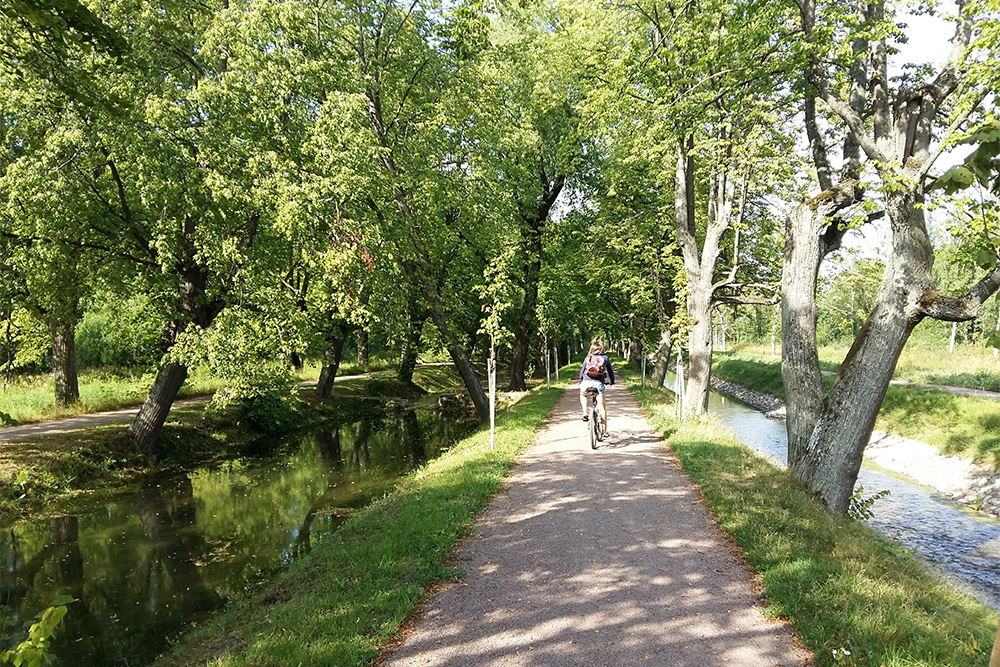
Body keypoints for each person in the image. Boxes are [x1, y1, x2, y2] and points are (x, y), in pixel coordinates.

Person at [579, 340, 615, 435]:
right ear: (602, 349)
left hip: (586, 382)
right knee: (602, 407)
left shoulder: (588, 357)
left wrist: (581, 380)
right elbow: (610, 372)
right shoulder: (605, 358)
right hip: (599, 384)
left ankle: (584, 412)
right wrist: (612, 381)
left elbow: (582, 370)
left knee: (583, 394)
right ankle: (604, 431)